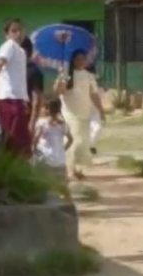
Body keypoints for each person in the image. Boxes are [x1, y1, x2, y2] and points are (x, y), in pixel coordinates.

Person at [54, 49, 106, 180]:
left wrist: (101, 109)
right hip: (70, 113)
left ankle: (75, 168)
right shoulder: (67, 75)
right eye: (77, 59)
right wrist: (59, 76)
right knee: (74, 141)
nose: (80, 61)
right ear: (73, 61)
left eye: (83, 59)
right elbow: (57, 90)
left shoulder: (89, 76)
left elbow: (93, 94)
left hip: (84, 113)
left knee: (83, 143)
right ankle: (69, 170)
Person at [0, 19, 31, 157]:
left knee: (18, 139)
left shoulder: (21, 51)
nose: (18, 33)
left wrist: (25, 99)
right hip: (9, 98)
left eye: (20, 30)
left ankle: (13, 170)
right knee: (14, 138)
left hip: (18, 98)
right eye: (14, 30)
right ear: (7, 34)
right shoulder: (9, 46)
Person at [33, 98, 73, 187]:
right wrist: (63, 149)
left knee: (43, 181)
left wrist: (34, 150)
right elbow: (70, 140)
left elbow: (36, 139)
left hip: (46, 158)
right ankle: (66, 198)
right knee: (62, 184)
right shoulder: (63, 124)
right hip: (60, 159)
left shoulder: (42, 123)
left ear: (47, 109)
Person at [22, 37, 44, 135]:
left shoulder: (34, 72)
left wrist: (32, 123)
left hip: (24, 118)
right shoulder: (11, 70)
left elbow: (37, 100)